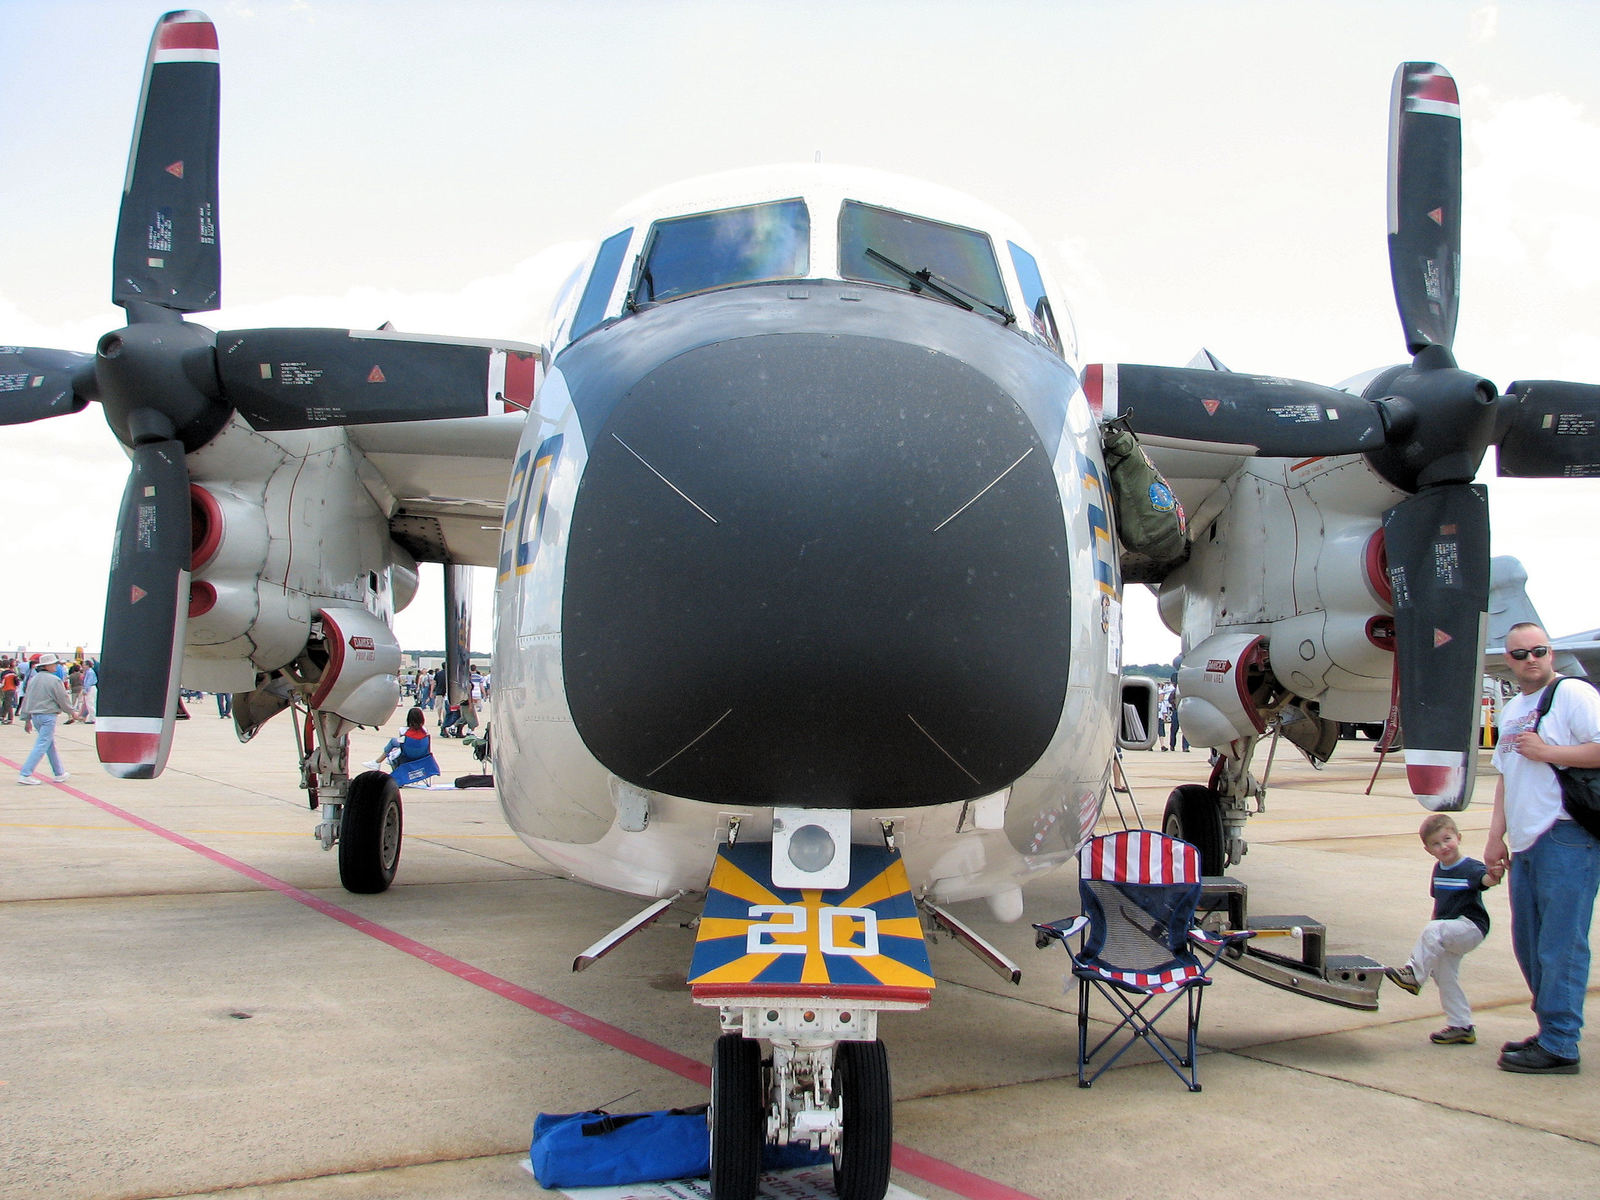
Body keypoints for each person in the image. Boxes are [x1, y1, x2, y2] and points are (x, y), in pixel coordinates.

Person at [1485, 622, 1600, 1074]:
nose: (1530, 659)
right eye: (1519, 654)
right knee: (1529, 943)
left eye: (1538, 650)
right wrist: (1496, 836)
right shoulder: (1514, 708)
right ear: (1507, 661)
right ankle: (1549, 1026)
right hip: (1527, 841)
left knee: (1561, 944)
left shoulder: (1573, 695)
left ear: (1550, 653)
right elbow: (1506, 777)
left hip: (1566, 834)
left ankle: (1560, 1043)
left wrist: (1549, 752)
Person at [1384, 813, 1501, 1044]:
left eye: (1447, 839)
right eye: (1436, 844)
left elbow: (1485, 880)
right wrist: (1434, 931)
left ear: (1459, 837)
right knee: (1444, 974)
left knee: (1433, 930)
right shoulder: (1438, 871)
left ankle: (1414, 975)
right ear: (1428, 850)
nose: (1443, 846)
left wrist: (1494, 874)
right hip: (1448, 929)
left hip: (1471, 927)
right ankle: (1461, 1025)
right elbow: (1438, 908)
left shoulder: (1470, 867)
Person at [17, 652, 72, 786]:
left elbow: (27, 699)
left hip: (36, 716)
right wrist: (71, 712)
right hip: (48, 715)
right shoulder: (54, 680)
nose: (56, 666)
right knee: (42, 744)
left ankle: (59, 773)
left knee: (49, 744)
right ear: (47, 666)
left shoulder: (34, 679)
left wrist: (26, 719)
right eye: (54, 664)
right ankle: (25, 773)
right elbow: (62, 698)